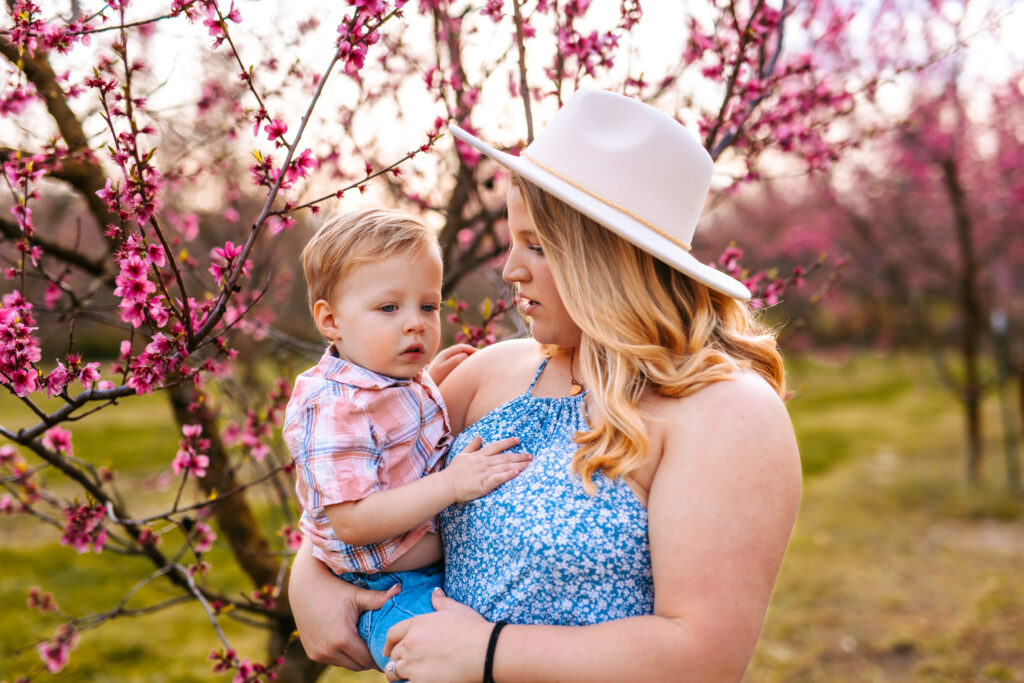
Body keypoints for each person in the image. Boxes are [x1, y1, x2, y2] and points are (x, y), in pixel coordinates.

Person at [288, 89, 801, 682]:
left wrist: (486, 654)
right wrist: (310, 578)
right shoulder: (491, 372)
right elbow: (353, 491)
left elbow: (703, 658)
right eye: (512, 242)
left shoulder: (727, 414)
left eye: (537, 245)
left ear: (609, 259)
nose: (510, 269)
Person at [282, 209, 531, 673]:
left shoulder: (393, 383)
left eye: (429, 306)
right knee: (436, 665)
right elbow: (352, 521)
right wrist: (454, 485)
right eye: (390, 308)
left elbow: (389, 446)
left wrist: (427, 389)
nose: (416, 323)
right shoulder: (336, 409)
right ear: (331, 320)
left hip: (418, 571)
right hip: (391, 587)